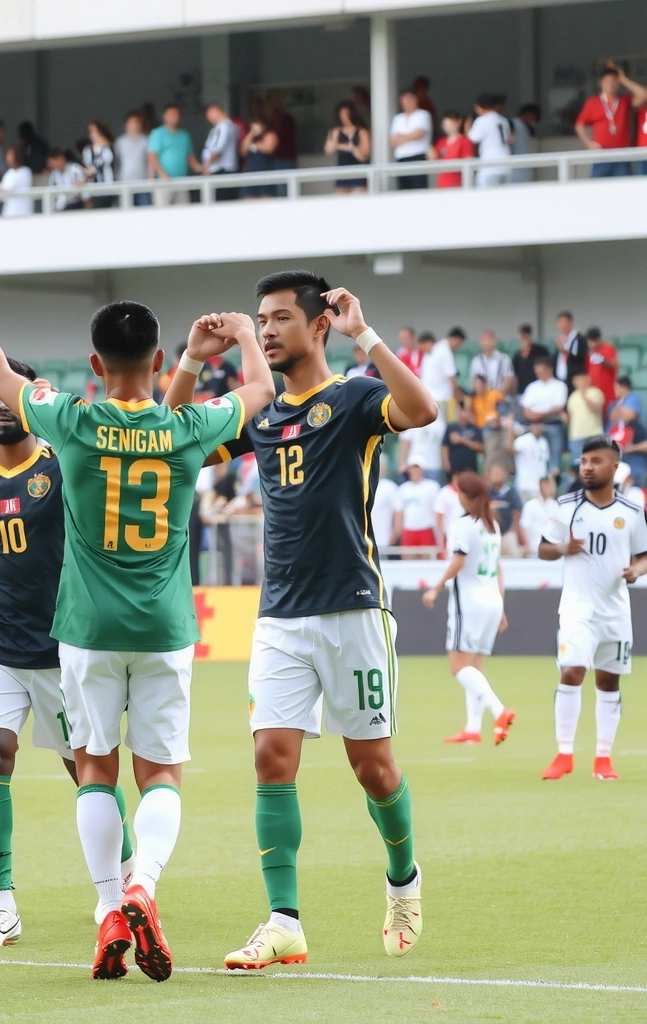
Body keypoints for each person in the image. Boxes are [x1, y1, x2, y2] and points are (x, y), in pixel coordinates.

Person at [0, 269, 274, 981]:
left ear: (95, 366)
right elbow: (259, 394)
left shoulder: (71, 418)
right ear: (157, 363)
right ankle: (143, 887)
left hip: (85, 629)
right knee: (160, 770)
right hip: (163, 626)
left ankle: (107, 909)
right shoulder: (188, 426)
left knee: (95, 769)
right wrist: (244, 337)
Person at [163, 273, 438, 967]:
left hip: (353, 609)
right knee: (270, 758)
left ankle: (404, 881)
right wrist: (194, 359)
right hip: (281, 615)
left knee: (372, 768)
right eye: (262, 320)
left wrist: (365, 334)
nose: (269, 330)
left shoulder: (352, 398)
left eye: (282, 318)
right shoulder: (261, 413)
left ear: (319, 324)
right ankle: (283, 920)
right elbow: (168, 439)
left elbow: (423, 408)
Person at [0, 359, 137, 947]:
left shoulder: (64, 466)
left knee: (86, 770)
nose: (1, 406)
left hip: (64, 648)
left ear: (30, 403)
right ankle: (1, 906)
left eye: (11, 396)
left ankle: (128, 884)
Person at [539, 436, 647, 781]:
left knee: (608, 680)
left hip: (615, 610)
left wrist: (636, 571)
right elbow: (543, 549)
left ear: (614, 468)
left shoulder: (631, 512)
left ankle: (603, 759)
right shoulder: (566, 505)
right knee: (571, 669)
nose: (587, 466)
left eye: (595, 461)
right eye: (584, 460)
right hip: (576, 607)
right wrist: (563, 547)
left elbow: (643, 556)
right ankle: (564, 754)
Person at [422, 471, 513, 744]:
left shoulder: (463, 525)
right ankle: (473, 729)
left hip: (470, 602)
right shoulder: (492, 525)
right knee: (475, 667)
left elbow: (459, 561)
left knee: (458, 667)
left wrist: (436, 587)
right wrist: (502, 605)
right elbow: (498, 567)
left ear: (464, 496)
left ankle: (499, 710)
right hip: (492, 602)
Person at [574, 62, 647, 178]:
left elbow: (644, 95)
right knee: (597, 192)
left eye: (614, 82)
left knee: (623, 193)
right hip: (601, 156)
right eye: (607, 81)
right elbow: (579, 125)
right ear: (601, 83)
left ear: (618, 84)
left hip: (622, 156)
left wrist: (623, 79)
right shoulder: (593, 102)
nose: (611, 85)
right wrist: (589, 143)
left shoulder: (625, 100)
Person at [520, 358, 568, 474]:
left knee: (554, 455)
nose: (538, 373)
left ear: (548, 369)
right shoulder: (533, 387)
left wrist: (539, 414)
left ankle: (554, 472)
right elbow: (525, 407)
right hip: (533, 425)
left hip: (552, 424)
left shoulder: (559, 385)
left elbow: (559, 406)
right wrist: (532, 415)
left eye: (540, 370)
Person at [147, 105, 200, 206]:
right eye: (170, 114)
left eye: (176, 114)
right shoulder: (158, 133)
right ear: (164, 116)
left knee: (183, 212)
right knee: (162, 213)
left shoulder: (185, 136)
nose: (173, 117)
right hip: (163, 182)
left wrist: (201, 169)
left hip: (181, 181)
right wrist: (164, 176)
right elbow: (152, 157)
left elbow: (190, 158)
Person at [390, 88, 432, 189]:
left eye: (409, 99)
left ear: (415, 99)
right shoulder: (397, 118)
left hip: (418, 157)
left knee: (419, 189)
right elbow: (392, 141)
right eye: (404, 100)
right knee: (404, 189)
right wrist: (409, 136)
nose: (407, 102)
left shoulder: (423, 114)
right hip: (401, 159)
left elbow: (418, 134)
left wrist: (401, 137)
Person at [467, 94, 512, 188]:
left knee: (486, 199)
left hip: (490, 166)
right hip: (506, 165)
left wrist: (467, 125)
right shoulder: (503, 120)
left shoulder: (482, 120)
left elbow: (471, 139)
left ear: (479, 107)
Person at [325, 102, 370, 194]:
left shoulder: (361, 131)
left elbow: (365, 153)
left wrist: (350, 148)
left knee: (358, 198)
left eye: (346, 114)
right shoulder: (336, 131)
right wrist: (339, 142)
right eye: (341, 115)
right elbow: (328, 150)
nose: (344, 117)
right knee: (340, 201)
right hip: (342, 171)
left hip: (358, 171)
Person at [420, 327, 465, 418]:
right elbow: (452, 379)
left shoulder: (440, 350)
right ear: (456, 340)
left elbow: (450, 377)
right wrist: (461, 402)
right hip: (436, 400)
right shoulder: (444, 351)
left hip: (434, 398)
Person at [566, 371, 605, 469]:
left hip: (594, 434)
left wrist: (584, 395)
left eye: (581, 379)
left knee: (596, 465)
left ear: (588, 379)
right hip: (576, 436)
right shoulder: (572, 396)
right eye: (576, 380)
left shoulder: (596, 392)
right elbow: (570, 417)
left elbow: (596, 409)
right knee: (578, 465)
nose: (579, 382)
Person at [201, 104, 240, 200]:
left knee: (221, 204)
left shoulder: (224, 127)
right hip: (220, 170)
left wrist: (207, 166)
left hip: (221, 171)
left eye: (209, 115)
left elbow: (218, 149)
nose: (209, 119)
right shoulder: (223, 127)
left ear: (216, 111)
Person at [430, 111, 474, 189]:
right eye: (445, 124)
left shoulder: (464, 141)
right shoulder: (441, 142)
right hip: (442, 184)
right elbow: (434, 160)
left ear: (458, 123)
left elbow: (469, 163)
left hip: (458, 184)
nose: (447, 127)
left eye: (449, 124)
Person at [487, 463, 523, 557]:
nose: (496, 476)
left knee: (511, 551)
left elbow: (516, 512)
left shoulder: (511, 492)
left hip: (508, 532)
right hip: (491, 533)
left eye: (498, 473)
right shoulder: (487, 492)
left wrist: (514, 530)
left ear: (505, 475)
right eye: (494, 473)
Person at [114, 111, 150, 206]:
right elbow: (117, 162)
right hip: (125, 182)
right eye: (131, 122)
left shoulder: (146, 140)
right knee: (126, 215)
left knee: (145, 213)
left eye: (136, 122)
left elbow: (150, 161)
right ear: (126, 124)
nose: (134, 125)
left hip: (142, 182)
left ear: (140, 124)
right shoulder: (120, 142)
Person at [471, 375, 507, 467]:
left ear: (485, 384)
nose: (477, 387)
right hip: (479, 429)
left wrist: (497, 420)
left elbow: (503, 410)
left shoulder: (495, 394)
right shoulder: (475, 400)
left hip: (493, 427)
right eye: (475, 384)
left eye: (479, 384)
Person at [519, 475, 559, 557]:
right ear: (540, 485)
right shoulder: (530, 505)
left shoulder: (556, 506)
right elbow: (523, 527)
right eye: (545, 485)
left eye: (550, 485)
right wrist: (527, 546)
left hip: (553, 550)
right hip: (534, 550)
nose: (547, 488)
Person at [511, 422, 550, 504]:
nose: (538, 427)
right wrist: (510, 429)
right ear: (531, 426)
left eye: (540, 424)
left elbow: (544, 463)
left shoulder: (543, 442)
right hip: (525, 485)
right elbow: (510, 450)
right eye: (536, 425)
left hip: (539, 487)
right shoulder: (523, 440)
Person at [240, 119, 280, 198]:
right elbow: (242, 152)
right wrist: (251, 134)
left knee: (266, 199)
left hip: (265, 172)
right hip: (250, 173)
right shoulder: (251, 137)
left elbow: (268, 148)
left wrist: (254, 146)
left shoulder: (270, 135)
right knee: (249, 199)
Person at [441, 402, 483, 477]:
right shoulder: (451, 427)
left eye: (465, 411)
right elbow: (444, 447)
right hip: (454, 469)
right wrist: (446, 465)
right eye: (460, 411)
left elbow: (480, 447)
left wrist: (462, 440)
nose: (462, 414)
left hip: (470, 468)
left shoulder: (474, 428)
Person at [81, 121, 116, 208]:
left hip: (106, 188)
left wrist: (92, 169)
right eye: (91, 132)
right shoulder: (87, 150)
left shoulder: (107, 149)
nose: (92, 134)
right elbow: (86, 168)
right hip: (92, 189)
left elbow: (107, 159)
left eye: (95, 131)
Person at [0, 146, 33, 218]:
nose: (8, 158)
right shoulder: (10, 172)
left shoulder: (25, 171)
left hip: (22, 213)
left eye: (10, 155)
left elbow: (6, 189)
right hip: (9, 212)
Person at [371, 460, 402, 551]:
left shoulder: (390, 487)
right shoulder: (362, 484)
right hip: (363, 537)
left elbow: (398, 511)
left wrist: (395, 532)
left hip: (383, 537)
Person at [584, 328, 618, 409]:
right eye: (589, 341)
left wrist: (602, 360)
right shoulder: (589, 353)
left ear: (598, 339)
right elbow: (587, 371)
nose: (591, 343)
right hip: (595, 391)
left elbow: (614, 364)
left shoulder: (608, 348)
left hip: (608, 390)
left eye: (593, 340)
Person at [512, 324, 550, 395]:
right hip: (522, 390)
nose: (525, 339)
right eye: (522, 336)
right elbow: (515, 372)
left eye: (526, 336)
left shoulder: (541, 351)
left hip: (540, 388)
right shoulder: (517, 355)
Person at [433, 471, 465, 555]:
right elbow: (438, 517)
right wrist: (441, 541)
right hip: (451, 535)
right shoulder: (445, 493)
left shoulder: (469, 493)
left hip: (465, 533)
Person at [554, 311, 586, 388]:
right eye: (560, 322)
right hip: (560, 379)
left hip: (573, 379)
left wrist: (562, 349)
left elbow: (578, 357)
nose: (562, 325)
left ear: (570, 323)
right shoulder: (559, 339)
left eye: (564, 322)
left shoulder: (578, 338)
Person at [509, 103, 541, 183]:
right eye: (533, 117)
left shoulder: (528, 127)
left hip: (525, 163)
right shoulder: (512, 124)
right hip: (513, 164)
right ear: (528, 114)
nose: (533, 120)